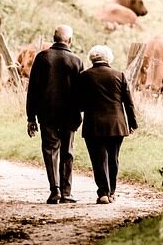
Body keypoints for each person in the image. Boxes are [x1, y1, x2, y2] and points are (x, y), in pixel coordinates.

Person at [26, 25, 84, 204]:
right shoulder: (76, 61)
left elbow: (33, 90)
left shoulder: (42, 57)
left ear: (53, 38)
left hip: (47, 113)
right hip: (70, 115)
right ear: (70, 41)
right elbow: (81, 92)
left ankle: (55, 190)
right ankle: (67, 192)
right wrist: (80, 111)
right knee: (67, 152)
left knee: (50, 150)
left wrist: (31, 117)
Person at [77, 45, 138, 204]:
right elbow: (128, 103)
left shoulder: (84, 76)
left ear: (92, 58)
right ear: (108, 58)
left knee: (98, 159)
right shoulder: (119, 75)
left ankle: (103, 192)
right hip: (116, 124)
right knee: (113, 158)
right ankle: (111, 192)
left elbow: (80, 103)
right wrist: (132, 123)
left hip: (93, 125)